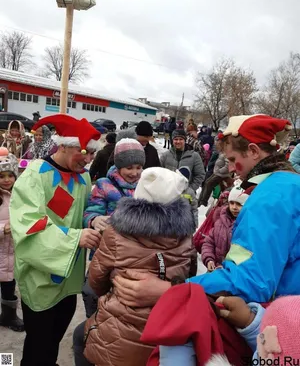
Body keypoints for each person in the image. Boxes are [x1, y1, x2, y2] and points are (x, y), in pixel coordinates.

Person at [113, 114, 300, 363]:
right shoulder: (290, 184)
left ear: (254, 151)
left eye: (234, 160)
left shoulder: (269, 198)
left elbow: (253, 281)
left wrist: (173, 290)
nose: (231, 168)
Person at [10, 114, 102, 366]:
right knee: (38, 344)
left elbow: (84, 213)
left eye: (92, 153)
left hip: (68, 280)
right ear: (62, 146)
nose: (88, 159)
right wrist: (76, 237)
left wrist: (95, 221)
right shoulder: (35, 175)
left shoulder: (83, 177)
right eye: (83, 151)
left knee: (54, 337)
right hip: (40, 279)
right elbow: (30, 226)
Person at [81, 167, 195, 366]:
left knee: (80, 339)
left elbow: (96, 280)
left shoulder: (115, 233)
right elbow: (188, 275)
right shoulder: (185, 237)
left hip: (119, 328)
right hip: (167, 328)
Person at [0, 148, 24, 332]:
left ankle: (8, 316)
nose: (7, 179)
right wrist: (2, 229)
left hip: (12, 253)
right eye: (2, 176)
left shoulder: (20, 196)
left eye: (10, 175)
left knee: (9, 285)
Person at [201, 186, 249, 271]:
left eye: (239, 204)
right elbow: (209, 243)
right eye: (231, 203)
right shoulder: (220, 222)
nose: (234, 207)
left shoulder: (248, 226)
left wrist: (228, 267)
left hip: (235, 274)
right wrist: (209, 259)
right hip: (216, 271)